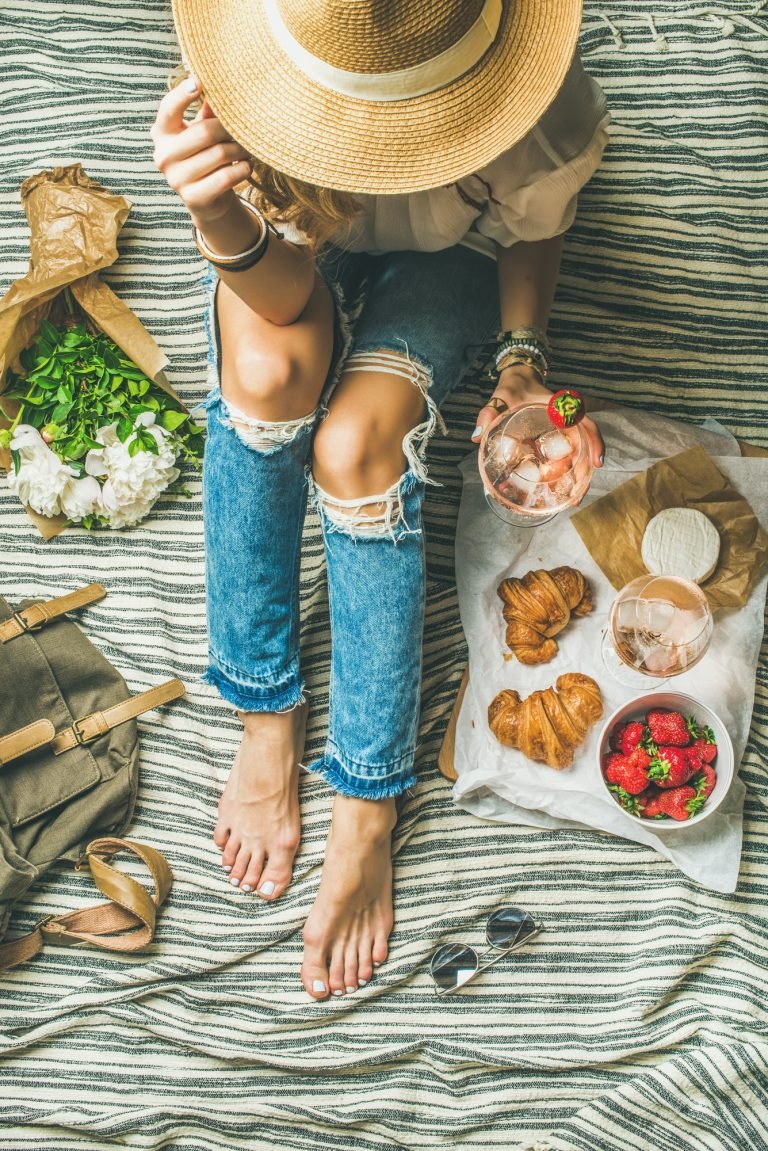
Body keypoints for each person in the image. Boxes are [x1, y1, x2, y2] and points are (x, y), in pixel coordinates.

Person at [152, 0, 608, 1000]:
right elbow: (280, 302)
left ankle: (367, 794)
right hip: (289, 257)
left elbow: (537, 226)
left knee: (357, 444)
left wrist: (524, 355)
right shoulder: (241, 80)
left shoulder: (539, 97)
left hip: (455, 256)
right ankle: (265, 707)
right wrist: (215, 211)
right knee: (273, 368)